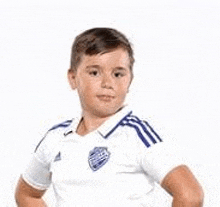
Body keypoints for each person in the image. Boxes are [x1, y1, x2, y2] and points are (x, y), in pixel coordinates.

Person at [15, 27, 204, 206]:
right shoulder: (56, 138)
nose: (107, 83)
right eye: (95, 72)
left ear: (130, 80)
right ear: (73, 78)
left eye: (118, 74)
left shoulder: (137, 135)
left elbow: (190, 196)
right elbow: (26, 194)